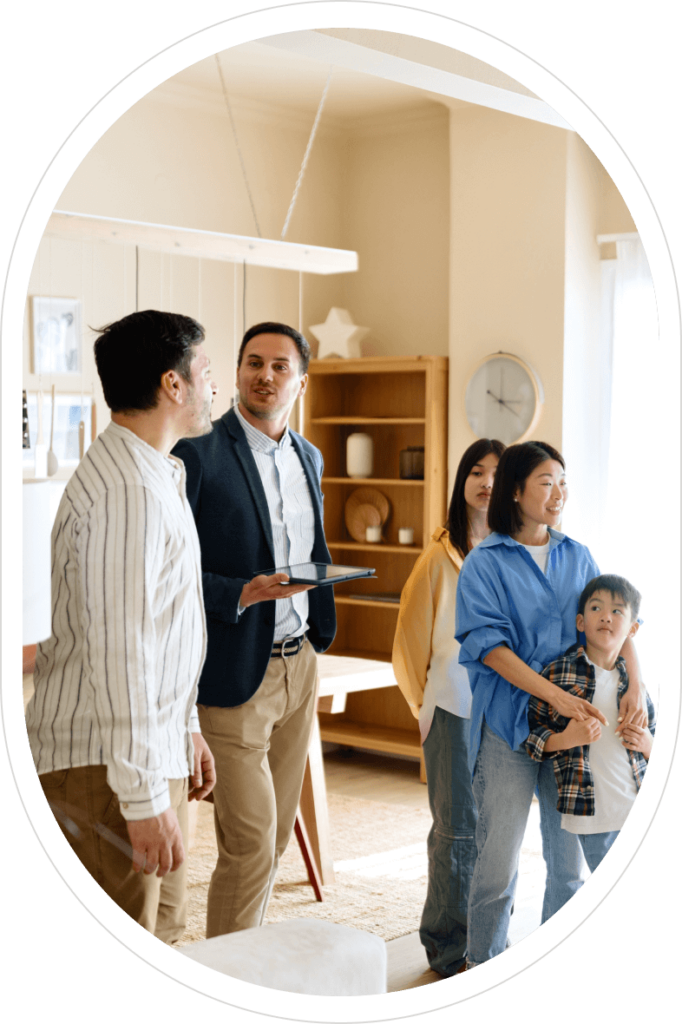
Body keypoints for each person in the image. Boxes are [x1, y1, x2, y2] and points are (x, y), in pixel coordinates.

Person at [26, 310, 218, 943]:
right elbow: (121, 651)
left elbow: (161, 631)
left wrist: (185, 727)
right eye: (206, 373)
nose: (213, 387)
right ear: (173, 384)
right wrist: (142, 798)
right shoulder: (126, 491)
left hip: (142, 751)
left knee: (165, 931)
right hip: (104, 764)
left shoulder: (156, 472)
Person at [455, 441, 648, 968]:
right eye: (546, 482)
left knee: (567, 864)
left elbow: (613, 612)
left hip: (571, 730)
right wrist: (557, 695)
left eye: (563, 481)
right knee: (498, 862)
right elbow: (490, 650)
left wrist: (637, 681)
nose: (559, 492)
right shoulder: (484, 563)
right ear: (515, 491)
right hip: (510, 726)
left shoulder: (577, 554)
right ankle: (481, 964)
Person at [172, 322, 336, 938]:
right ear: (237, 371)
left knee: (275, 841)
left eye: (279, 366)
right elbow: (175, 570)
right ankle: (227, 969)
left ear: (301, 379)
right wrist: (240, 591)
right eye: (253, 363)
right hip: (233, 668)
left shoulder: (309, 456)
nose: (264, 375)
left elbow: (310, 546)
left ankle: (247, 958)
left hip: (300, 664)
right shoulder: (198, 453)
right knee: (252, 840)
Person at [392, 438, 505, 977]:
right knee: (456, 829)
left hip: (503, 711)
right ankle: (446, 949)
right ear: (461, 483)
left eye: (498, 473)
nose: (487, 482)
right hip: (452, 708)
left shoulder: (514, 553)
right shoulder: (438, 558)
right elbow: (410, 644)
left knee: (495, 829)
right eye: (476, 472)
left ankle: (486, 941)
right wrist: (425, 708)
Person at [525, 574, 655, 873]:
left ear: (633, 629)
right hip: (590, 812)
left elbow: (655, 735)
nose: (606, 617)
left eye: (617, 611)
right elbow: (532, 736)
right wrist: (567, 738)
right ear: (581, 622)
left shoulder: (636, 688)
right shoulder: (558, 674)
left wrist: (648, 744)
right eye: (596, 608)